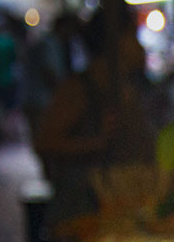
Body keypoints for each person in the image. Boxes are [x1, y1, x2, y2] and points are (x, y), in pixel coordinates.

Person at [33, 16, 155, 222]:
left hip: (122, 210)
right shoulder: (79, 88)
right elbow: (45, 142)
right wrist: (96, 143)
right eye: (133, 36)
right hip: (82, 212)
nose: (140, 46)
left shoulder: (128, 86)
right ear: (117, 43)